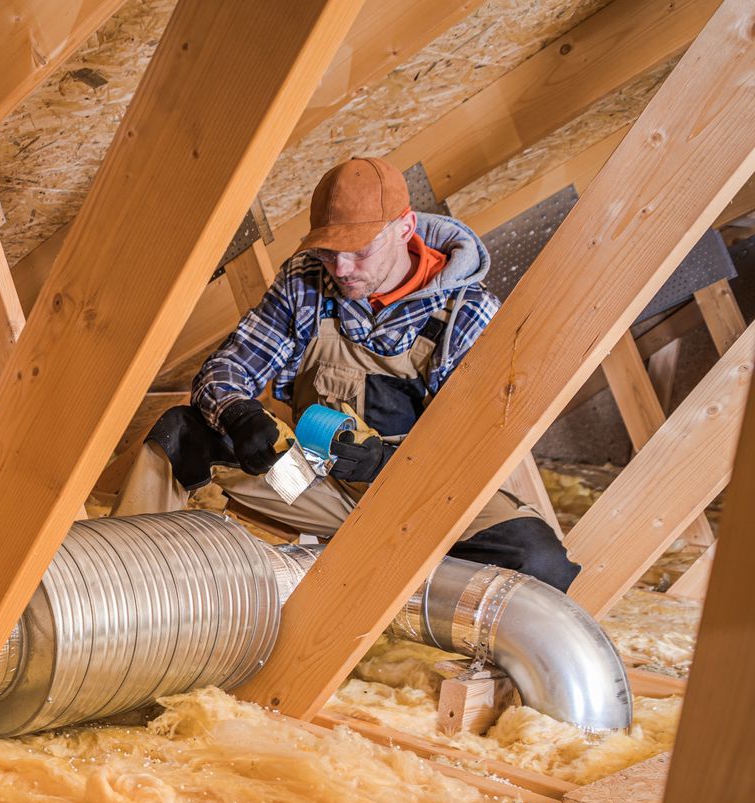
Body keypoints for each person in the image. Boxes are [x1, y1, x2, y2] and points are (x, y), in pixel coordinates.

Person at [114, 156, 578, 590]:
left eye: (359, 252)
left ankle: (417, 595)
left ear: (405, 228)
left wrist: (387, 464)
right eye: (330, 253)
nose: (342, 269)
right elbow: (228, 369)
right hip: (312, 483)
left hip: (425, 502)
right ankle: (120, 586)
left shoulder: (466, 313)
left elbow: (477, 444)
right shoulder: (307, 281)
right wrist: (238, 415)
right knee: (181, 434)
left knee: (539, 565)